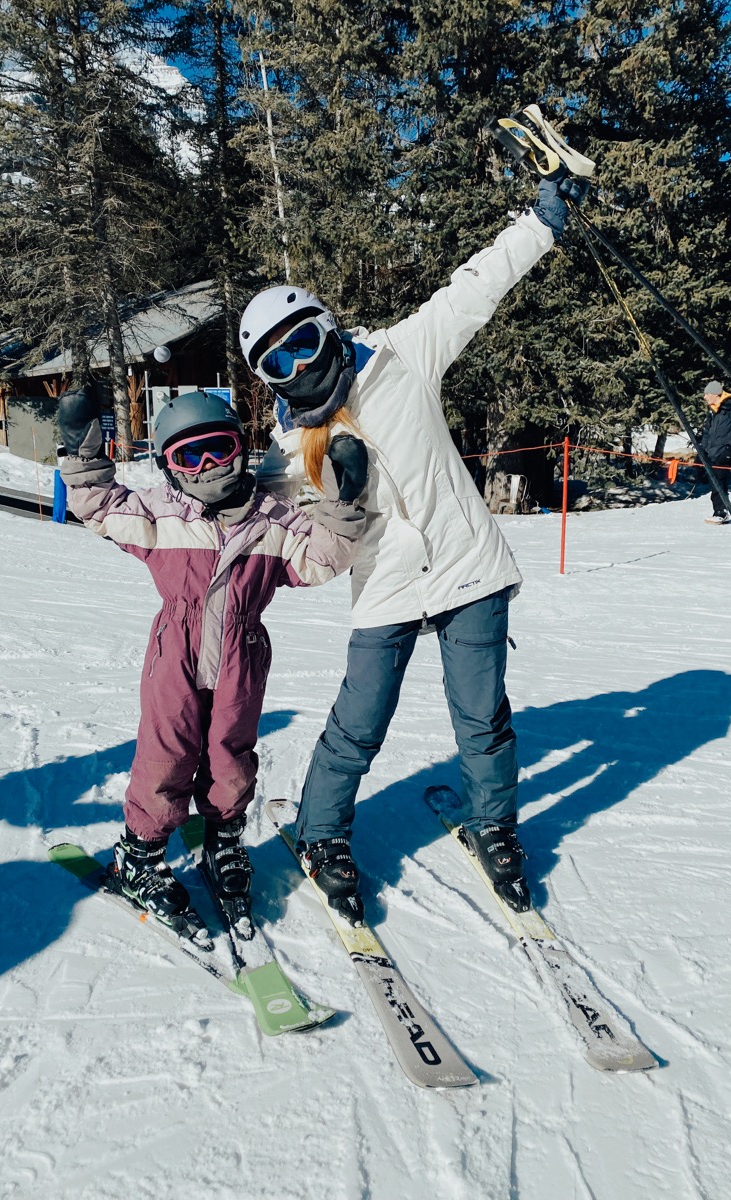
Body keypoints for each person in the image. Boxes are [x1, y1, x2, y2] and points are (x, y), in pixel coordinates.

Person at [239, 177, 582, 923]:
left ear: (326, 328)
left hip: (467, 566)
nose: (297, 368)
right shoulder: (289, 449)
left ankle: (494, 824)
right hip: (386, 587)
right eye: (276, 364)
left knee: (482, 718)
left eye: (301, 344)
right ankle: (321, 832)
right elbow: (255, 520)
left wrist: (542, 223)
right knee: (359, 723)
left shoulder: (400, 355)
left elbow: (475, 288)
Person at [58, 388, 367, 943]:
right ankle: (139, 854)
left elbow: (321, 559)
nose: (206, 466)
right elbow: (99, 505)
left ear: (240, 448)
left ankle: (223, 839)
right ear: (167, 466)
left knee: (230, 754)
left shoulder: (274, 520)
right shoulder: (162, 515)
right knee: (166, 752)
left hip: (241, 657)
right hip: (174, 655)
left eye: (217, 449)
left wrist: (343, 506)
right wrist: (83, 457)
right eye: (188, 456)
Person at [699, 380, 731, 524]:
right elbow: (707, 431)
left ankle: (720, 512)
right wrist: (703, 449)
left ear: (715, 394)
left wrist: (729, 448)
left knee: (718, 479)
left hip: (725, 450)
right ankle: (720, 510)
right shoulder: (713, 409)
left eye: (707, 394)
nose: (705, 397)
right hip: (712, 450)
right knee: (714, 479)